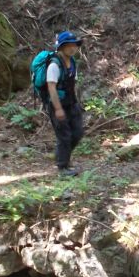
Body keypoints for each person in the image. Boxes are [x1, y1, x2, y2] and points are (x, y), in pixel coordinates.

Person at [44, 31, 84, 177]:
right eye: (69, 45)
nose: (73, 48)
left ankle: (62, 156)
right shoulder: (54, 65)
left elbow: (73, 83)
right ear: (61, 47)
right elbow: (51, 87)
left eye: (74, 45)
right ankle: (62, 168)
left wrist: (77, 102)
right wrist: (58, 109)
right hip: (57, 105)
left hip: (71, 103)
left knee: (78, 132)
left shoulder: (72, 62)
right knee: (64, 136)